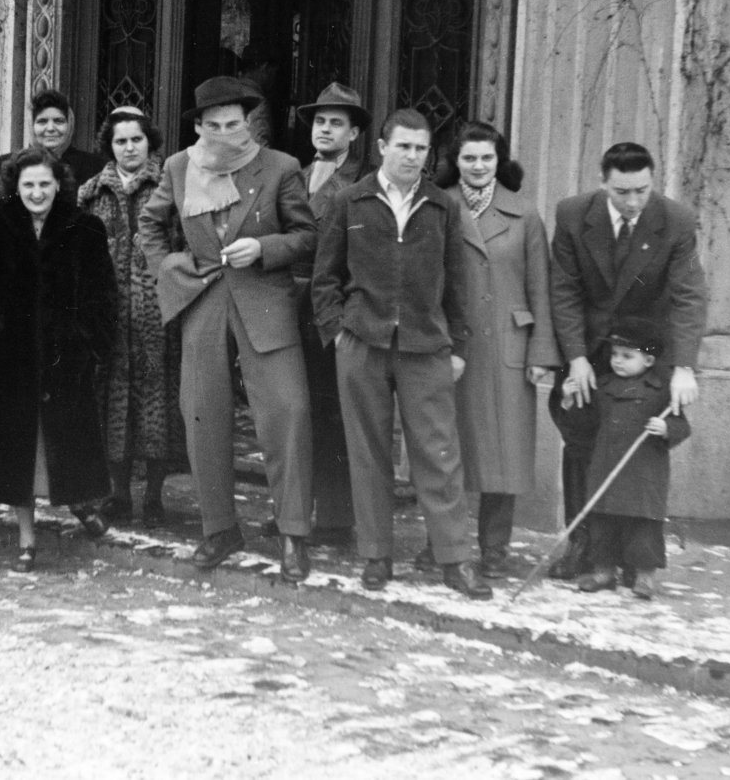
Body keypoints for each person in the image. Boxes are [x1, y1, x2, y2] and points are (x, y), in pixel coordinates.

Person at [138, 76, 316, 583]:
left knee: (288, 409)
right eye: (213, 126)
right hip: (204, 297)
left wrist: (265, 249)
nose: (224, 134)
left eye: (233, 124)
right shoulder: (177, 167)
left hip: (265, 300)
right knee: (201, 411)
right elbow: (149, 226)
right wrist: (170, 267)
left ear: (249, 122)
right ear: (198, 126)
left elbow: (307, 236)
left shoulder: (281, 167)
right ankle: (219, 527)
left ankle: (292, 532)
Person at [311, 108, 490, 599]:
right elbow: (325, 276)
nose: (413, 156)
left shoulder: (443, 207)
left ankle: (454, 558)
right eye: (404, 146)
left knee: (438, 453)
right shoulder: (350, 202)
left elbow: (458, 283)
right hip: (363, 344)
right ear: (382, 148)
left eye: (421, 148)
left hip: (425, 346)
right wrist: (337, 332)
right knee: (368, 454)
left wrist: (458, 345)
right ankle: (376, 556)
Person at [548, 141, 708, 579]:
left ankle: (636, 559)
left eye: (642, 189)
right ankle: (583, 546)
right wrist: (577, 359)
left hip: (647, 353)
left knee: (641, 453)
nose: (634, 201)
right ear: (603, 185)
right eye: (623, 192)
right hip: (592, 351)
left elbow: (688, 296)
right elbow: (564, 290)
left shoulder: (675, 221)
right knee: (581, 444)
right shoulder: (572, 215)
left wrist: (683, 368)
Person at [0, 147, 117, 571]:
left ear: (59, 184)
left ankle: (82, 505)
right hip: (12, 360)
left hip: (66, 359)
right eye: (28, 184)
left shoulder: (85, 228)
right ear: (15, 187)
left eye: (45, 183)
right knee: (20, 458)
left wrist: (87, 342)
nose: (37, 192)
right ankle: (27, 540)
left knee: (65, 445)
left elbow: (103, 295)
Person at [435, 122, 560, 578]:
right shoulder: (439, 205)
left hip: (510, 345)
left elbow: (540, 288)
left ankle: (494, 548)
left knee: (504, 453)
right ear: (456, 162)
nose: (478, 166)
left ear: (499, 161)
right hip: (454, 345)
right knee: (447, 447)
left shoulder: (525, 214)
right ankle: (443, 542)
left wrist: (541, 353)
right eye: (469, 158)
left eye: (487, 158)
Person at [77, 106, 186, 526]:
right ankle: (119, 493)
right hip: (108, 313)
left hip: (158, 313)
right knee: (112, 402)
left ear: (150, 142)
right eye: (120, 141)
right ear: (109, 146)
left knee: (157, 400)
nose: (128, 148)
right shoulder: (90, 194)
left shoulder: (172, 187)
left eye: (136, 139)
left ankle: (155, 495)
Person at [284, 82, 376, 547]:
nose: (325, 129)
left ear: (355, 133)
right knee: (293, 411)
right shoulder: (295, 175)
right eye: (320, 121)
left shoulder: (363, 184)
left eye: (336, 122)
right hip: (289, 308)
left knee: (332, 413)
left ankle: (336, 518)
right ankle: (294, 515)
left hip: (333, 309)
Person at [566, 318, 691, 600]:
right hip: (606, 465)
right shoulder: (603, 386)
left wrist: (666, 428)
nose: (617, 361)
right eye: (614, 355)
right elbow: (585, 423)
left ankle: (645, 577)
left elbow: (682, 425)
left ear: (648, 360)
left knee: (643, 526)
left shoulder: (661, 391)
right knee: (603, 523)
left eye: (627, 356)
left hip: (643, 471)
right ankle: (603, 572)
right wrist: (570, 400)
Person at [0, 89, 105, 209]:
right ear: (31, 125)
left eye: (59, 121)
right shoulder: (3, 166)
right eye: (42, 121)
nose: (50, 128)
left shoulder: (94, 168)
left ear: (70, 124)